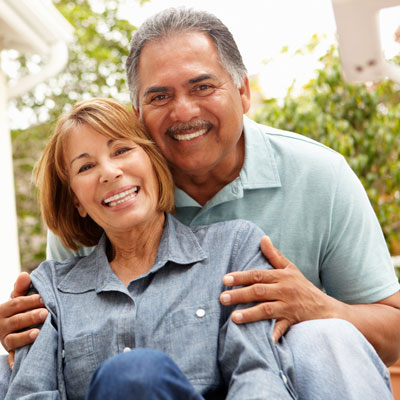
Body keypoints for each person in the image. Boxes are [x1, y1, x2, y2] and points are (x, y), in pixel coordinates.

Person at [0, 5, 399, 396]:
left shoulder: (314, 178)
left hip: (285, 378)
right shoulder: (113, 199)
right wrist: (27, 336)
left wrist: (322, 307)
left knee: (321, 335)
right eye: (159, 97)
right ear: (138, 116)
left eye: (203, 87)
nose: (184, 111)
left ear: (243, 92)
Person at [5, 97, 299, 399]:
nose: (109, 172)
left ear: (153, 161)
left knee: (138, 372)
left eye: (121, 150)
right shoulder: (49, 290)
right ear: (76, 200)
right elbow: (29, 394)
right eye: (86, 167)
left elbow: (259, 374)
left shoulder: (235, 249)